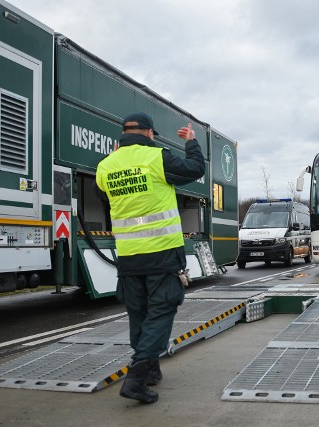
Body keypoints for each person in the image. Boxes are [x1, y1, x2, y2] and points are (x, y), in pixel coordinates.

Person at [95, 112, 205, 403]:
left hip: (129, 256)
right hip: (161, 252)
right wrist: (192, 143)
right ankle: (137, 376)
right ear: (149, 134)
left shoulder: (105, 166)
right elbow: (194, 169)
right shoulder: (156, 157)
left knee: (139, 314)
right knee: (161, 311)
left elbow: (107, 199)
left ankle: (151, 370)